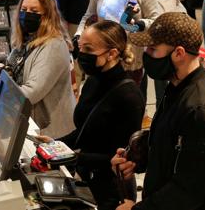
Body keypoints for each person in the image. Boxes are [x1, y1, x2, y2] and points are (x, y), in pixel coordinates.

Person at [112, 12, 205, 210]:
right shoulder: (177, 85)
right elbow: (174, 143)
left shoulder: (202, 111)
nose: (147, 55)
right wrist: (137, 157)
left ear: (179, 53)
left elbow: (188, 191)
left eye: (153, 49)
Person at [39, 21, 144, 210]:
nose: (82, 54)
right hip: (87, 178)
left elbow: (119, 157)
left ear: (112, 53)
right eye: (80, 47)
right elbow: (85, 131)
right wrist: (55, 144)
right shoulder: (93, 80)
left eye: (88, 48)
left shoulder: (128, 96)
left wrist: (70, 157)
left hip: (111, 191)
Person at [6, 0, 76, 138]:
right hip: (28, 122)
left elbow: (32, 92)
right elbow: (10, 71)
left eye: (34, 11)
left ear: (47, 16)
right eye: (23, 10)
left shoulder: (53, 45)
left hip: (51, 131)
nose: (27, 15)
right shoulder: (25, 39)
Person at [134, 0, 183, 109]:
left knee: (160, 74)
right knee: (139, 72)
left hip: (160, 33)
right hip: (139, 32)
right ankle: (141, 109)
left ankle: (164, 110)